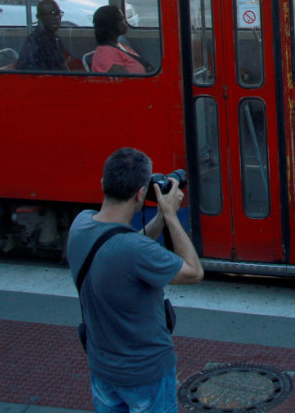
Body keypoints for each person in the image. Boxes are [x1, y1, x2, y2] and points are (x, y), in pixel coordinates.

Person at [67, 148, 203, 413]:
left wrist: (160, 217)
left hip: (103, 370)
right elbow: (193, 272)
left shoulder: (80, 224)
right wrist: (171, 215)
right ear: (141, 194)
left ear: (103, 183)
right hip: (146, 374)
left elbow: (127, 248)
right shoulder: (134, 250)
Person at [91, 4, 149, 74]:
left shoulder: (121, 45)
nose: (125, 23)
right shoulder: (105, 54)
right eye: (121, 20)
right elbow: (122, 78)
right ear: (111, 25)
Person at [16, 0, 70, 71]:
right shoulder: (34, 42)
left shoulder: (55, 39)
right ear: (39, 17)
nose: (56, 18)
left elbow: (63, 65)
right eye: (51, 14)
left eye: (58, 13)